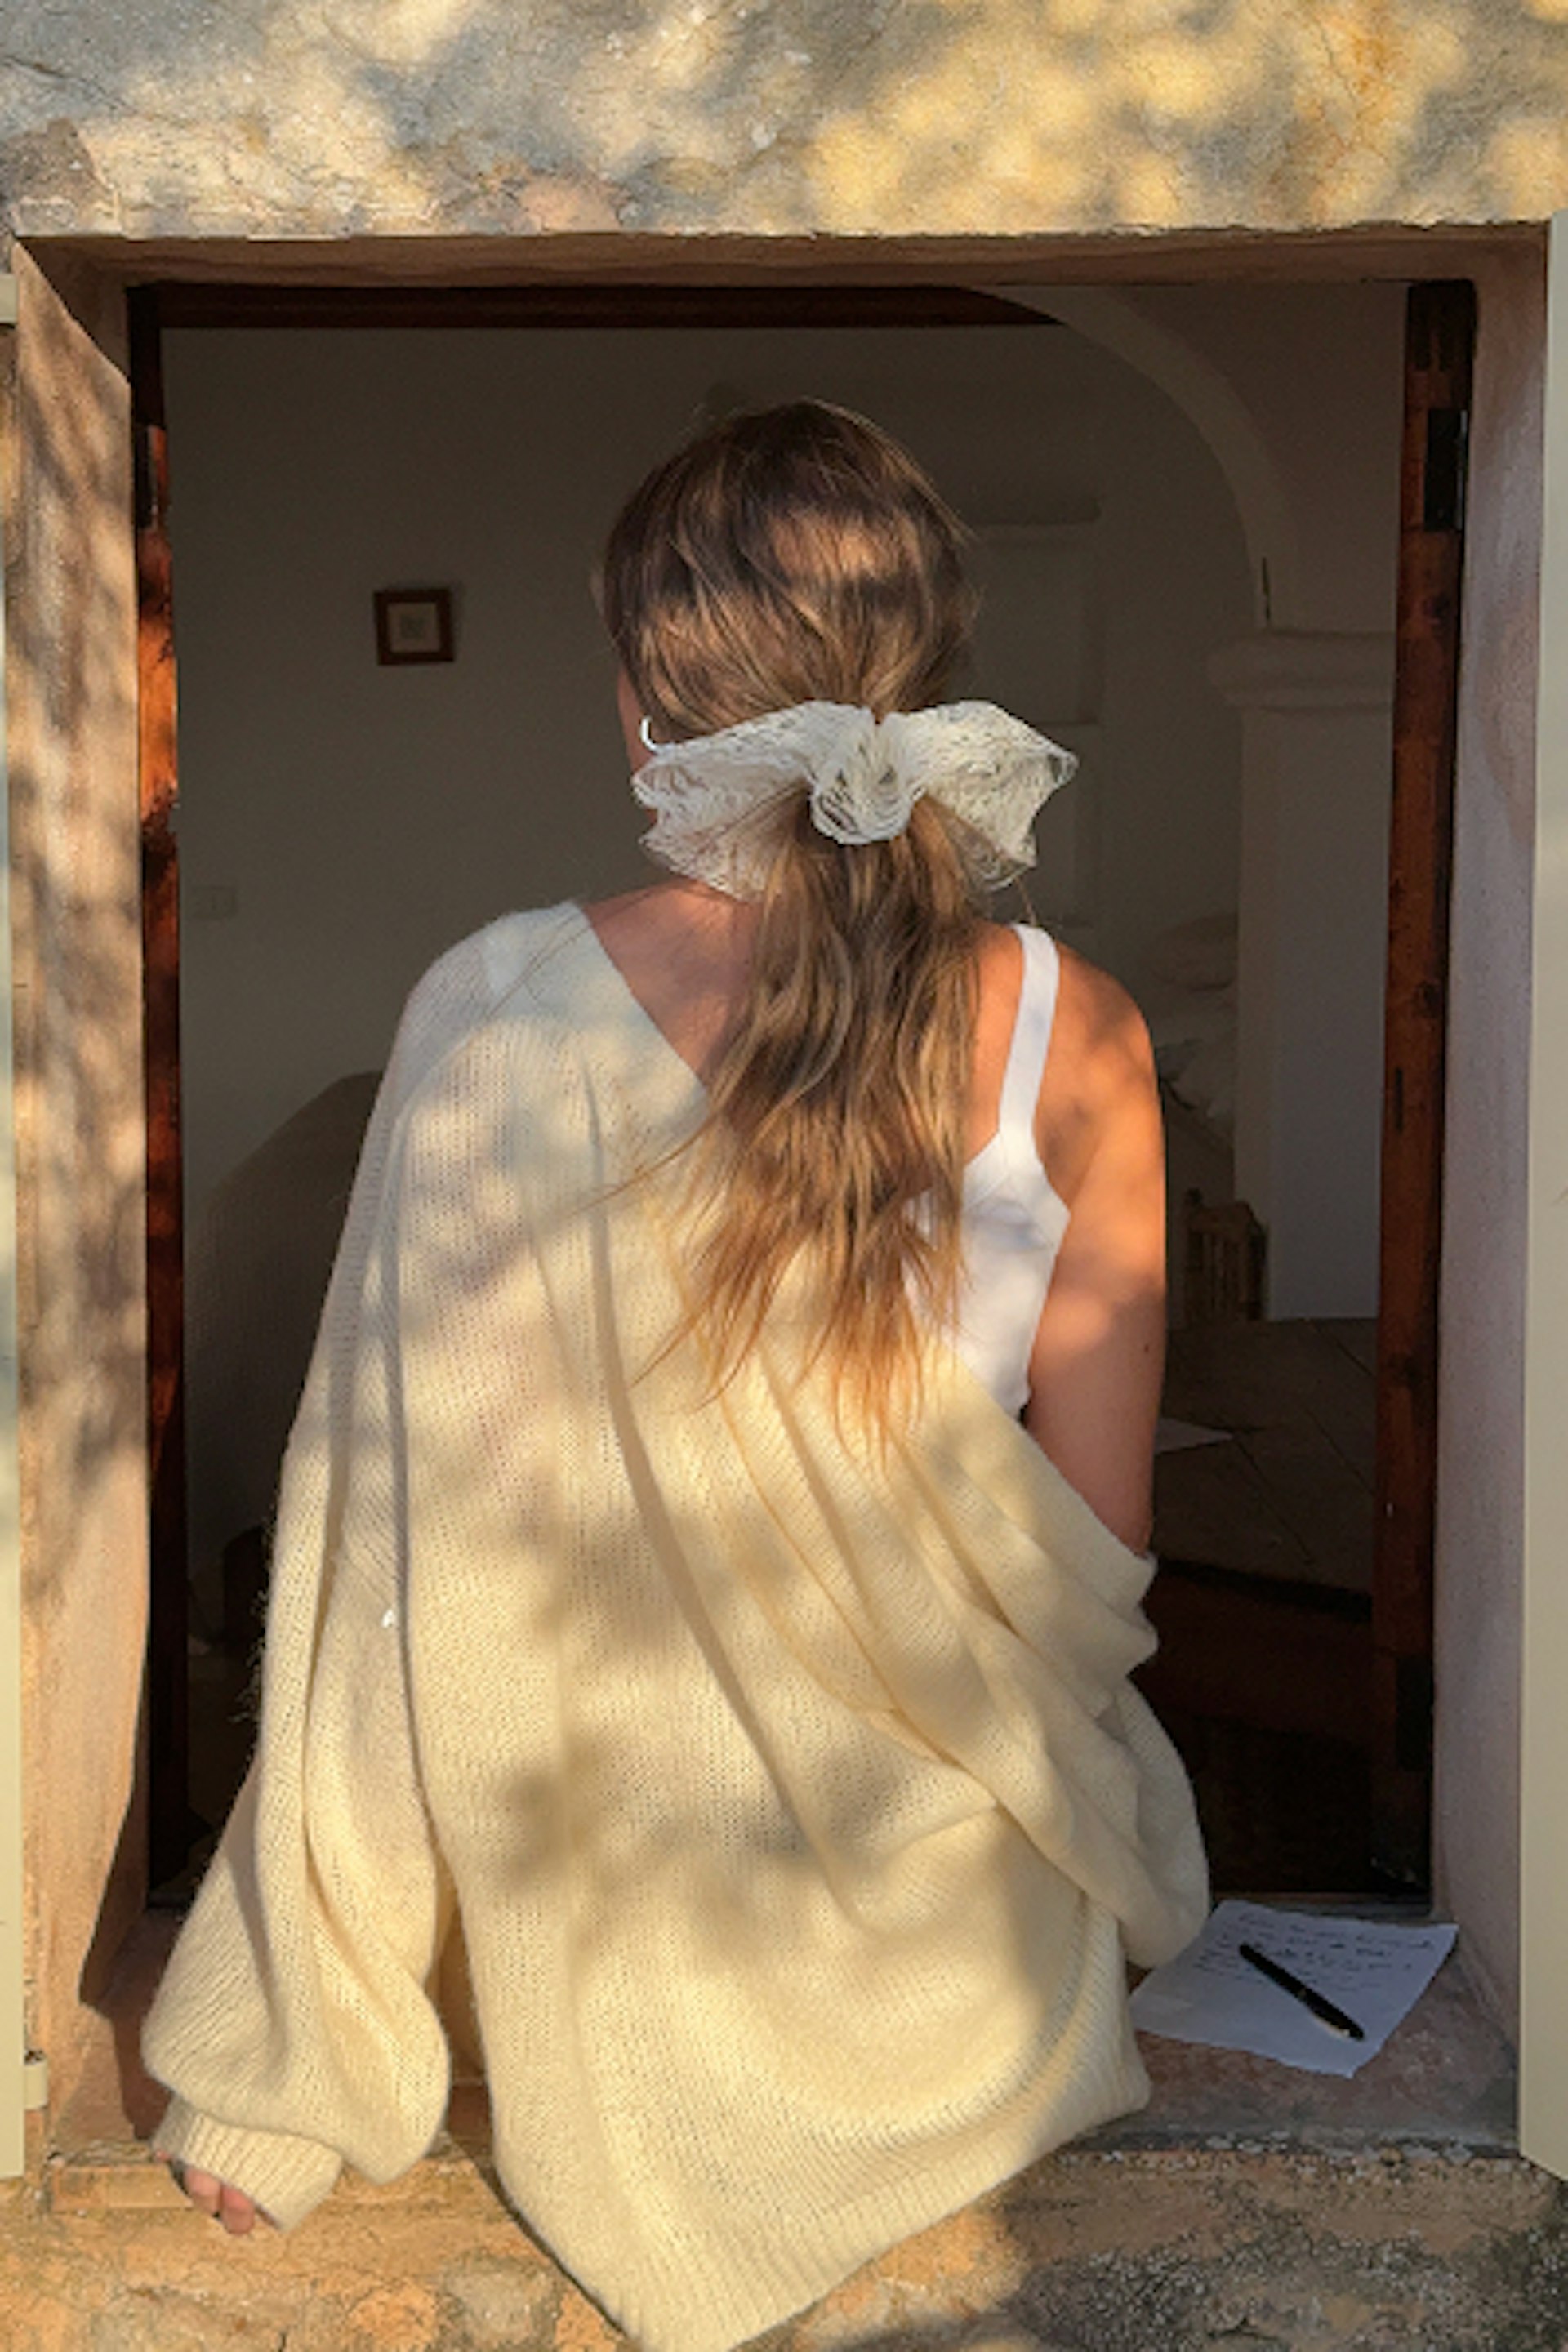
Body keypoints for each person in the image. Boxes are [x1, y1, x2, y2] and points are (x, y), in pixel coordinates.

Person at [144, 399, 1209, 2350]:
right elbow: (1097, 1544)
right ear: (930, 673)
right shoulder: (1087, 1029)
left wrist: (299, 2045)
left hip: (603, 1924)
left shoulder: (494, 1007)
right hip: (969, 1962)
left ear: (647, 700)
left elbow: (404, 1569)